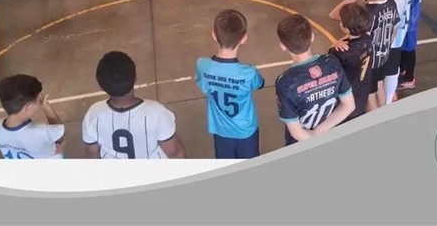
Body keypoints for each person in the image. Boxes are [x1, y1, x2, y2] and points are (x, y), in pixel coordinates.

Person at [82, 51, 186, 159]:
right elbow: (175, 152)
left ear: (101, 86)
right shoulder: (157, 113)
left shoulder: (93, 114)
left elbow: (92, 152)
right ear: (135, 78)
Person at [275, 14, 355, 146]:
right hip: (330, 134)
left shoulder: (285, 82)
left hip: (301, 143)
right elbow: (349, 105)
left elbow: (296, 132)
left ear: (282, 45)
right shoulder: (332, 62)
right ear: (312, 37)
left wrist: (313, 136)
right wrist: (320, 131)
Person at [196, 10, 264, 158]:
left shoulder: (202, 65)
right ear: (244, 38)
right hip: (245, 131)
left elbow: (204, 87)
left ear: (214, 35)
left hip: (220, 129)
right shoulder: (248, 73)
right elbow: (259, 83)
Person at [0, 74, 64, 159]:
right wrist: (46, 107)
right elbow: (60, 135)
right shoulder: (41, 132)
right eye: (38, 99)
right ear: (29, 107)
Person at [377, 0, 411, 104]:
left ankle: (388, 101)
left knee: (390, 71)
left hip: (392, 40)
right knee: (392, 69)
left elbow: (392, 24)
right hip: (399, 36)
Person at [328, 3, 372, 119]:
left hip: (345, 101)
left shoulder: (341, 52)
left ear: (345, 28)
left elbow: (331, 73)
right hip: (362, 93)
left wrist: (334, 46)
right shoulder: (368, 39)